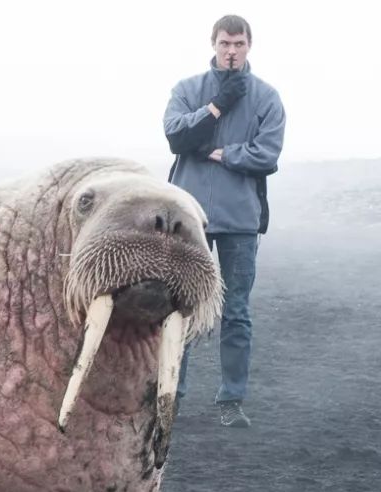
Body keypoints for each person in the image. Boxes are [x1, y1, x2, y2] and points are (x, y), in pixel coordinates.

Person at [163, 14, 286, 428]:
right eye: (224, 44)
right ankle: (171, 395)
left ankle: (230, 401)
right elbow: (176, 136)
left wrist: (220, 153)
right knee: (179, 307)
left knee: (236, 311)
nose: (231, 51)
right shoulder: (187, 90)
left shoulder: (267, 97)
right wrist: (217, 106)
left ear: (249, 46)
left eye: (238, 44)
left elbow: (267, 155)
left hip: (239, 220)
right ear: (212, 44)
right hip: (190, 218)